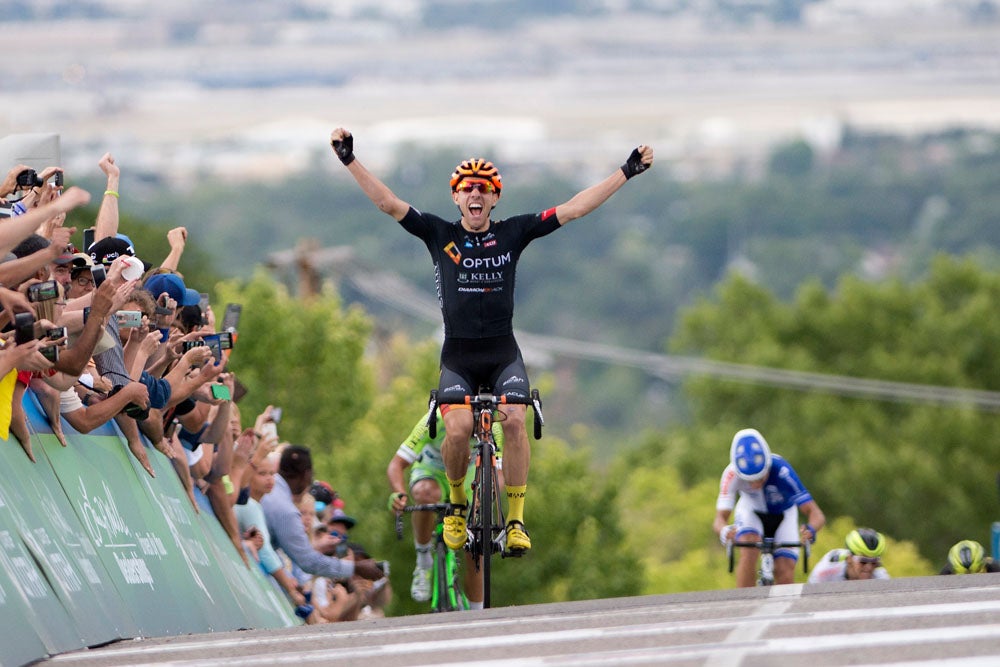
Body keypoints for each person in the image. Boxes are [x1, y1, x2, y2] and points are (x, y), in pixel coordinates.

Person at [331, 126, 654, 554]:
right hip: (459, 356)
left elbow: (575, 209)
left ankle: (516, 521)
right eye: (467, 189)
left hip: (503, 353)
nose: (475, 195)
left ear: (496, 198)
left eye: (484, 189)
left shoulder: (513, 233)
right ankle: (459, 503)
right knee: (459, 429)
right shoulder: (438, 233)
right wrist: (349, 159)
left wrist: (626, 172)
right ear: (456, 198)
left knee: (516, 420)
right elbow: (388, 204)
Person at [387, 407, 501, 608]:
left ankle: (477, 614)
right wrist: (398, 493)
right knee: (425, 494)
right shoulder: (434, 419)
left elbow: (498, 475)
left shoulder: (491, 425)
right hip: (433, 473)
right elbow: (396, 464)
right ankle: (424, 561)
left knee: (475, 547)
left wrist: (485, 498)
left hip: (469, 479)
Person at [714, 428, 826, 587]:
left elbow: (816, 514)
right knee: (748, 549)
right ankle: (744, 603)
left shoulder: (782, 470)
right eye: (749, 481)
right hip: (750, 512)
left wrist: (811, 529)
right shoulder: (731, 474)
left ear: (767, 464)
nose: (756, 484)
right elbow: (719, 520)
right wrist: (725, 531)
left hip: (784, 515)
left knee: (785, 571)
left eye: (761, 477)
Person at [260, 445, 384, 584]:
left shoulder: (269, 488)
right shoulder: (286, 510)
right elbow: (308, 561)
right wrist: (355, 567)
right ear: (306, 475)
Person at [808, 527, 891, 582]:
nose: (869, 567)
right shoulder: (827, 569)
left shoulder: (880, 576)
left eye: (874, 562)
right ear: (849, 558)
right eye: (863, 561)